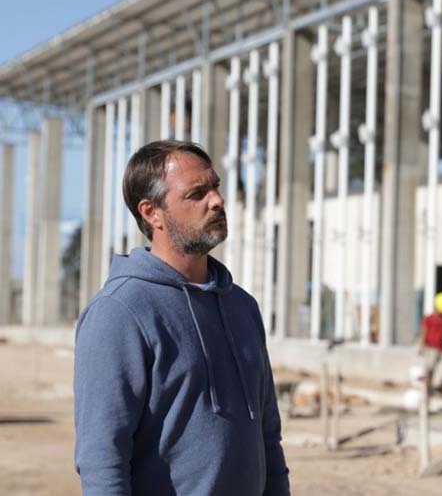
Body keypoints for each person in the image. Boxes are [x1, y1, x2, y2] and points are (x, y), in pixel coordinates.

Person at [74, 141, 290, 495]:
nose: (217, 200)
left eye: (215, 186)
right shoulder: (119, 313)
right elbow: (102, 459)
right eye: (197, 193)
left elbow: (268, 438)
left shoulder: (242, 307)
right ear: (152, 213)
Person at [418, 292, 442, 396]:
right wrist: (421, 346)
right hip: (431, 348)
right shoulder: (429, 319)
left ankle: (441, 386)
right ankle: (427, 389)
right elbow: (424, 332)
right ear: (436, 308)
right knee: (430, 368)